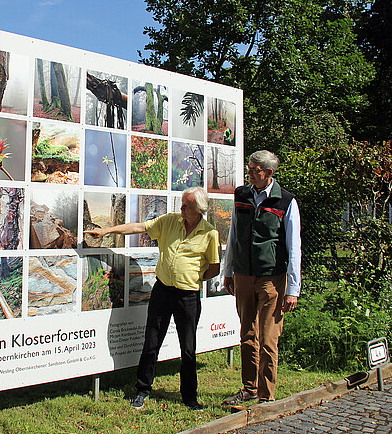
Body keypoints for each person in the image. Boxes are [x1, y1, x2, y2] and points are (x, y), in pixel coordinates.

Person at [84, 187, 220, 411]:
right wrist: (107, 230)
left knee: (188, 349)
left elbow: (214, 267)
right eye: (182, 204)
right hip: (162, 290)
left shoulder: (210, 234)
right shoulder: (170, 221)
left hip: (188, 296)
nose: (181, 208)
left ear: (198, 210)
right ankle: (142, 390)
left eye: (186, 205)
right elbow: (139, 227)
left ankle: (190, 397)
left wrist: (193, 278)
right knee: (151, 342)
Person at [221, 150, 301, 405]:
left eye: (255, 170)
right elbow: (233, 234)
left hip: (271, 279)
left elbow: (294, 246)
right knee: (247, 334)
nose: (250, 173)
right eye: (249, 168)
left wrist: (293, 289)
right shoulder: (241, 195)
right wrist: (228, 270)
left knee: (268, 339)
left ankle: (266, 396)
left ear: (269, 173)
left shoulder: (286, 201)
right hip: (243, 275)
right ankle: (249, 388)